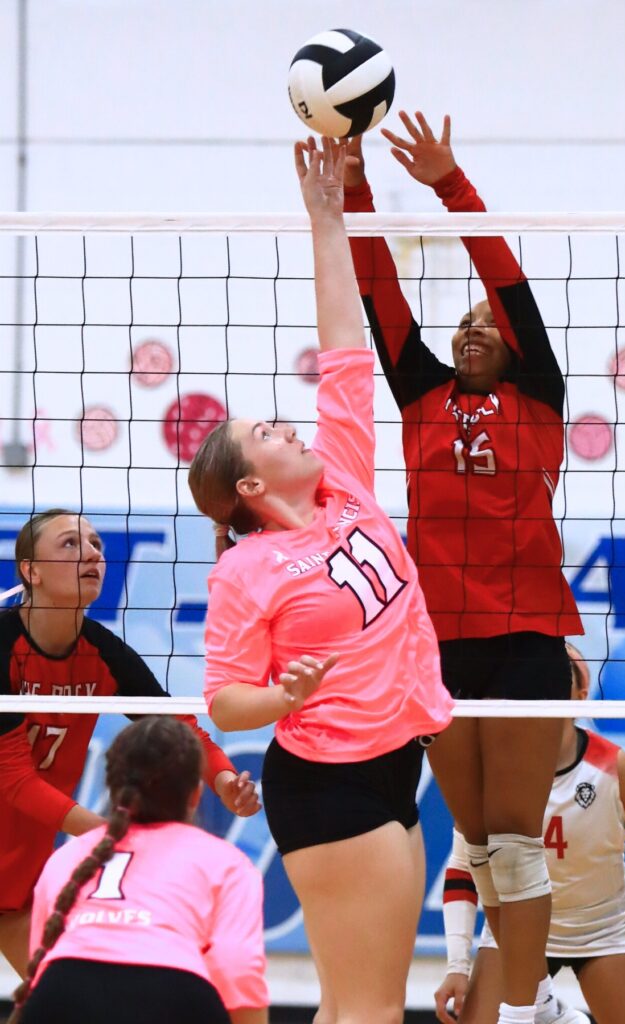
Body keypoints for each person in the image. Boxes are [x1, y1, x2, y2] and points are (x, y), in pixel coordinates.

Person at [188, 136, 455, 1024]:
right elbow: (224, 703)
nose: (292, 428)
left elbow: (345, 349)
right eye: (269, 432)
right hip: (329, 780)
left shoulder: (343, 481)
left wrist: (327, 218)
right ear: (251, 488)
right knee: (373, 1011)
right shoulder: (248, 569)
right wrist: (285, 693)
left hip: (389, 765)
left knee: (352, 1007)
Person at [343, 111, 584, 1024]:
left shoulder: (539, 396)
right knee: (476, 842)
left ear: (518, 345)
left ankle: (524, 1011)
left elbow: (505, 277)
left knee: (518, 845)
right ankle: (521, 990)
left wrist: (451, 184)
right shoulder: (419, 390)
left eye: (491, 323)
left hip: (526, 638)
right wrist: (357, 190)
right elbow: (376, 290)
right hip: (436, 643)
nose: (476, 324)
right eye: (466, 321)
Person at [0, 509, 260, 978]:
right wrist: (110, 834)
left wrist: (222, 779)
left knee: (66, 1008)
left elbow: (179, 727)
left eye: (96, 544)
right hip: (16, 852)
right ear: (30, 571)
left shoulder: (104, 653)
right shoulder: (2, 645)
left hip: (18, 878)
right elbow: (13, 778)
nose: (92, 553)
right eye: (70, 544)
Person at [434, 646, 625, 1024]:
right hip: (511, 930)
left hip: (604, 931)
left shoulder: (616, 768)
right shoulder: (496, 778)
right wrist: (456, 965)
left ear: (580, 694)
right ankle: (550, 1011)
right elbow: (461, 868)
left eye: (559, 669)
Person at [9, 715, 268, 1024]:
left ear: (112, 789)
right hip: (171, 991)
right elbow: (236, 967)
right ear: (195, 796)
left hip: (59, 994)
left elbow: (43, 956)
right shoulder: (226, 861)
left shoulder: (70, 855)